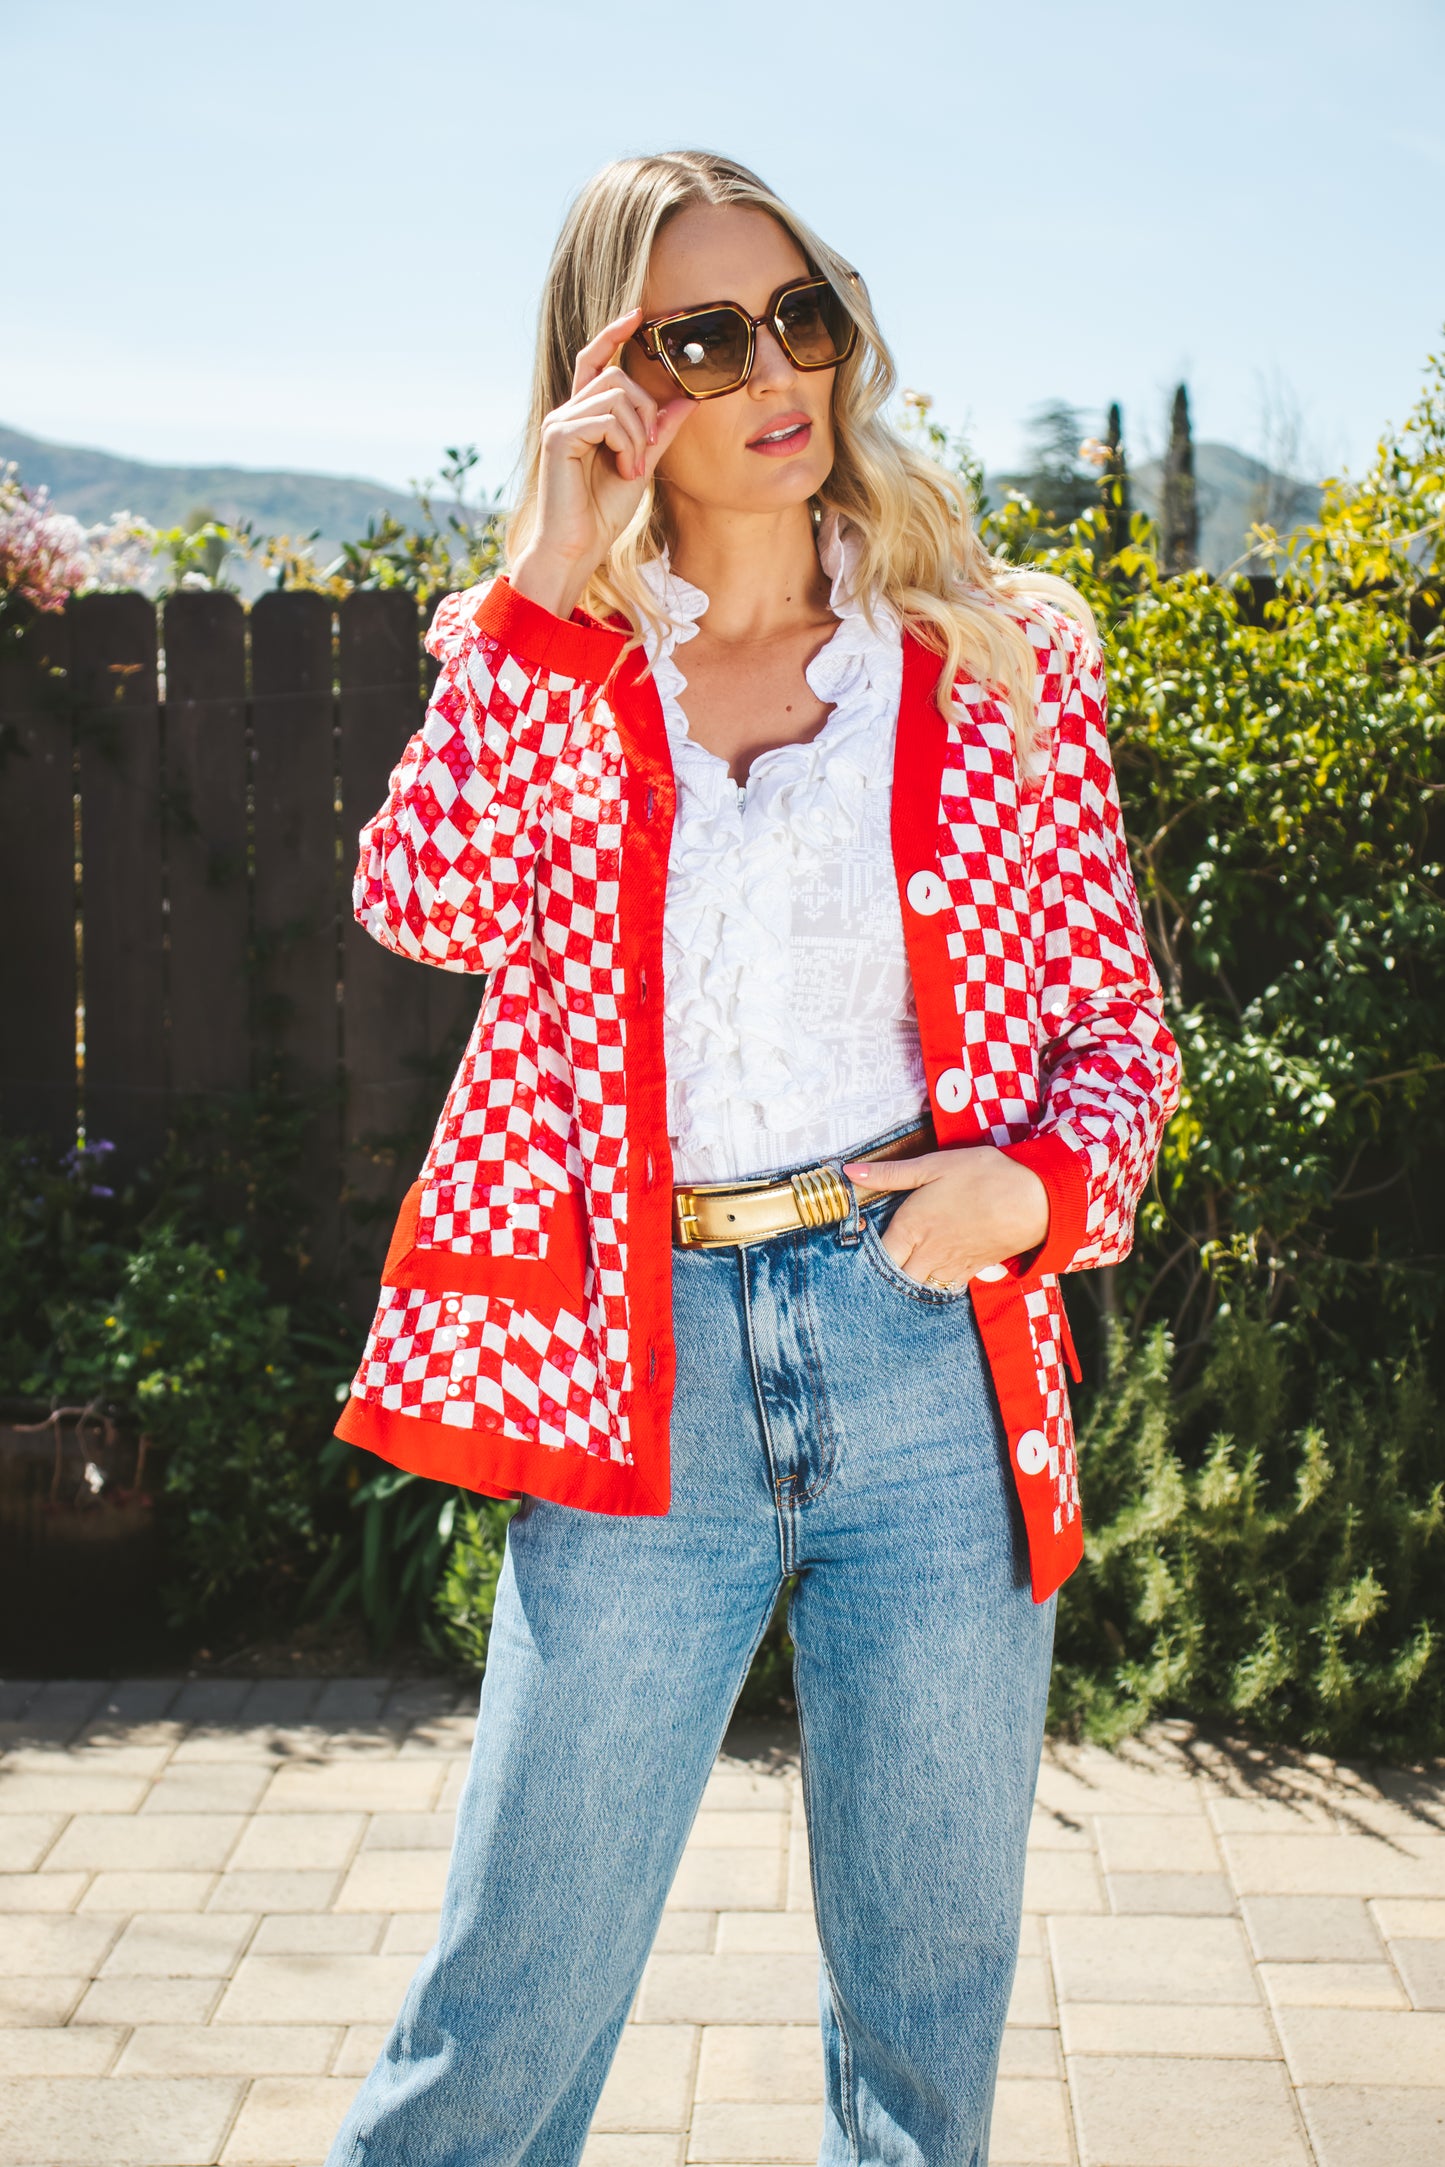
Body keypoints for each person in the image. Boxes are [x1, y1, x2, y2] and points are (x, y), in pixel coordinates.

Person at [325, 149, 1180, 2167]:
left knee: (924, 2024)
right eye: (708, 336)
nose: (779, 369)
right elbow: (423, 900)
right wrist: (546, 564)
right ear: (618, 382)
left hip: (926, 1359)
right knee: (506, 2008)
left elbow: (1118, 1040)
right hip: (645, 1378)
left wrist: (1031, 1195)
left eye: (804, 315)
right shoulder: (552, 658)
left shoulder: (999, 653)